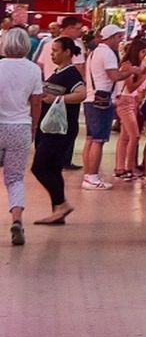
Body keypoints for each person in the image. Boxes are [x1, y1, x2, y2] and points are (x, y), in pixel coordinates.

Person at [31, 36, 86, 226]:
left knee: (39, 167)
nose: (52, 54)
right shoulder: (58, 72)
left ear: (67, 52)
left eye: (55, 51)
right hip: (50, 128)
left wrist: (58, 100)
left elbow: (81, 94)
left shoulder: (71, 74)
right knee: (53, 169)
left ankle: (61, 204)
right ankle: (57, 209)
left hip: (59, 130)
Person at [0, 28, 42, 245]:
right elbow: (36, 102)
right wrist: (34, 126)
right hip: (20, 127)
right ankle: (16, 220)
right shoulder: (34, 70)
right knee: (15, 178)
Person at [81, 24, 130, 190]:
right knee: (98, 140)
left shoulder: (94, 52)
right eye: (118, 37)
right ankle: (93, 177)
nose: (120, 41)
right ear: (110, 37)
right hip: (101, 101)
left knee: (90, 139)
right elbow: (114, 76)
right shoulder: (107, 53)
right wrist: (130, 71)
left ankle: (88, 175)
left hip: (90, 99)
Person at [112, 36, 146, 181]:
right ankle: (129, 167)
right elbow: (130, 86)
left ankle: (120, 167)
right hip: (125, 101)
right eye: (143, 52)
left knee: (125, 136)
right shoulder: (127, 65)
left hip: (131, 101)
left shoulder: (135, 66)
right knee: (134, 135)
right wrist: (144, 75)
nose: (145, 55)